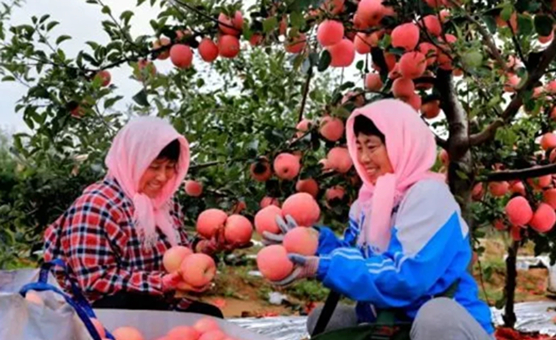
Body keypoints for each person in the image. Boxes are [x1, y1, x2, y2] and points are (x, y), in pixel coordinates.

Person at [264, 99, 495, 339]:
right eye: (359, 146)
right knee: (327, 320)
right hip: (393, 324)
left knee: (436, 318)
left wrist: (323, 266)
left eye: (372, 146)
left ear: (400, 145)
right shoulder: (367, 203)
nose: (363, 158)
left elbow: (406, 277)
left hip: (443, 328)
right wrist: (314, 243)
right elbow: (357, 254)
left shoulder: (429, 197)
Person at [43, 116, 228, 317]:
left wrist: (205, 249)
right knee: (126, 303)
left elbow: (178, 256)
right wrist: (163, 282)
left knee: (210, 315)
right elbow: (94, 281)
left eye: (169, 167)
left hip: (147, 304)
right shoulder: (97, 205)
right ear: (132, 161)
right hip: (94, 314)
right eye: (154, 167)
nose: (163, 177)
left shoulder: (164, 204)